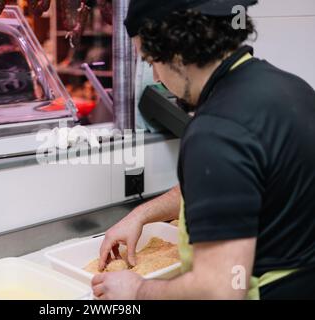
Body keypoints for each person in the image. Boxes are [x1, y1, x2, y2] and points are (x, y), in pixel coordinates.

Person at [92, 0, 315, 300]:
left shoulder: (216, 130)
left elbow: (220, 291)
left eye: (150, 61)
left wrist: (136, 290)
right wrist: (142, 215)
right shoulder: (290, 88)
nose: (155, 78)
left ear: (174, 47)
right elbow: (240, 186)